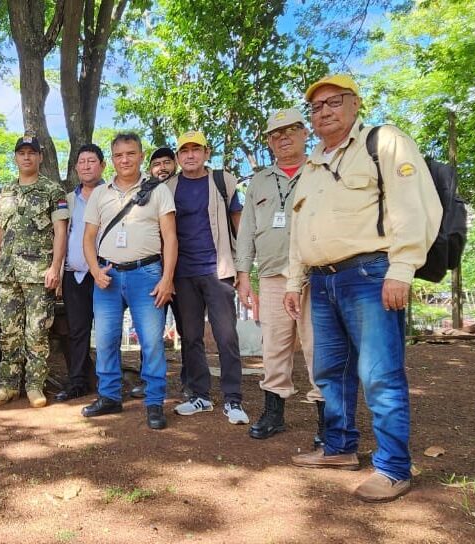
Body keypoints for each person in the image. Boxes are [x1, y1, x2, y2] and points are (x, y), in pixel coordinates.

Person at [286, 74, 440, 502]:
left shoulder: (383, 141)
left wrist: (402, 267)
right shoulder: (313, 164)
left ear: (354, 105)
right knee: (328, 372)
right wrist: (294, 279)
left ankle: (392, 468)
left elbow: (414, 203)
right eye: (316, 107)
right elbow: (302, 227)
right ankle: (338, 448)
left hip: (371, 275)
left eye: (333, 102)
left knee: (379, 374)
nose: (324, 112)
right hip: (321, 281)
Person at [235, 108, 325, 445]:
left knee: (319, 346)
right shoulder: (258, 180)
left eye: (290, 130)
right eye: (275, 134)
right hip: (272, 276)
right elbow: (247, 231)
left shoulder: (320, 170)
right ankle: (274, 413)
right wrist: (244, 274)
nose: (282, 138)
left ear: (305, 133)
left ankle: (326, 419)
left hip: (315, 275)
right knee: (273, 347)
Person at [80, 133, 178, 430]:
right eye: (119, 155)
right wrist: (95, 270)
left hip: (146, 274)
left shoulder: (158, 191)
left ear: (140, 155)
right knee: (107, 340)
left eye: (131, 154)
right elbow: (88, 237)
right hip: (107, 275)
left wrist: (167, 279)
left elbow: (170, 238)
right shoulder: (100, 193)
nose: (125, 160)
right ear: (113, 158)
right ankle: (109, 396)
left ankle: (154, 402)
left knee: (151, 342)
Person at [166, 130, 248, 425]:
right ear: (177, 157)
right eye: (184, 150)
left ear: (206, 152)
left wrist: (244, 268)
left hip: (218, 270)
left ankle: (233, 400)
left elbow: (239, 223)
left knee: (226, 336)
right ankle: (200, 396)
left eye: (196, 149)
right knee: (190, 338)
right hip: (183, 274)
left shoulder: (222, 181)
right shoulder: (169, 186)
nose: (190, 155)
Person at [0, 131, 70, 408]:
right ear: (15, 157)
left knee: (36, 332)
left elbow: (61, 231)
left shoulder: (53, 190)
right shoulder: (4, 192)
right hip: (8, 273)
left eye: (31, 153)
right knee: (8, 332)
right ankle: (8, 385)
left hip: (38, 273)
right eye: (22, 153)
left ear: (40, 157)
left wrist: (55, 267)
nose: (26, 157)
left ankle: (35, 386)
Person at [123, 145, 180, 400]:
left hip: (187, 270)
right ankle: (149, 381)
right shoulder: (145, 193)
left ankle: (191, 384)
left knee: (189, 333)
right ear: (150, 168)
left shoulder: (184, 187)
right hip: (152, 270)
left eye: (167, 162)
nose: (162, 168)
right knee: (150, 332)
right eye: (157, 164)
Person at [55, 144, 105, 402]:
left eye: (92, 161)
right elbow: (62, 235)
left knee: (109, 329)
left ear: (102, 166)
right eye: (82, 161)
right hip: (74, 274)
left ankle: (110, 382)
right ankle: (77, 382)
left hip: (105, 274)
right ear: (76, 167)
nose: (86, 166)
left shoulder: (112, 194)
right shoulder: (68, 198)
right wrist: (60, 268)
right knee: (77, 330)